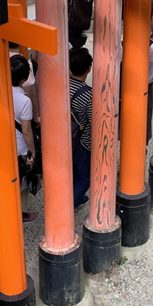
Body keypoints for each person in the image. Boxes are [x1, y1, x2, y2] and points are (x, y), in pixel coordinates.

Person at [11, 54, 37, 225]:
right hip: (20, 146)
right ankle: (19, 214)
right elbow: (26, 131)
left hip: (3, 143)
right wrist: (32, 152)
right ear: (25, 78)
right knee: (20, 183)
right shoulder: (24, 101)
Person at [69, 47, 93, 209]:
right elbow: (94, 121)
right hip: (82, 141)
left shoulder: (61, 85)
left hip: (65, 137)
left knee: (74, 172)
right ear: (89, 68)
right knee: (85, 178)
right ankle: (70, 204)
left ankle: (74, 197)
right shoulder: (88, 95)